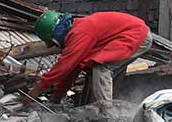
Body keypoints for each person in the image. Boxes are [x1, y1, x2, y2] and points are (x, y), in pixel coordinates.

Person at [24, 11, 152, 104]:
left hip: (135, 34)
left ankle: (108, 112)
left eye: (53, 43)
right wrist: (57, 97)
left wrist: (39, 87)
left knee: (101, 66)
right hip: (136, 33)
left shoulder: (79, 33)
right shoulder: (79, 31)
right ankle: (108, 106)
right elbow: (71, 70)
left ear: (55, 35)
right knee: (98, 69)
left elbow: (65, 65)